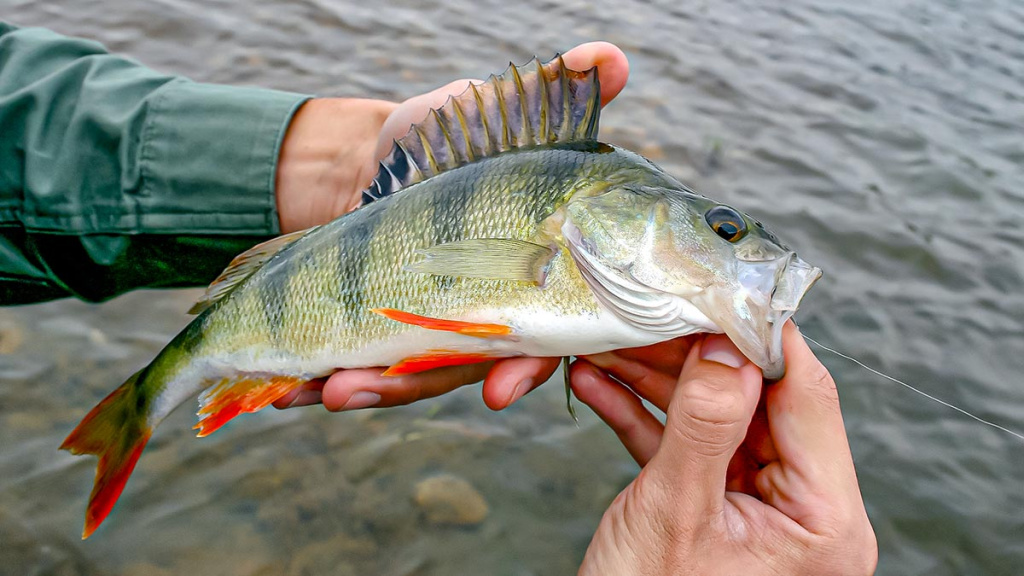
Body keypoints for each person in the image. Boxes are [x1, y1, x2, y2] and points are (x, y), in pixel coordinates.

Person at [0, 22, 876, 573]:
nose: (746, 249)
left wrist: (350, 167)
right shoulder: (570, 222)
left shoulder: (592, 248)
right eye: (723, 230)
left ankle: (148, 405)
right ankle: (148, 403)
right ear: (604, 218)